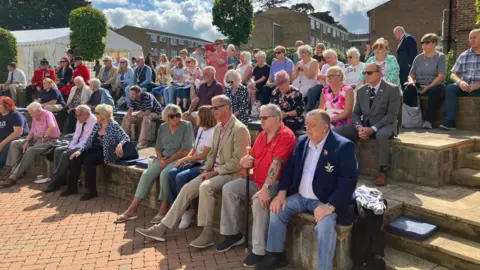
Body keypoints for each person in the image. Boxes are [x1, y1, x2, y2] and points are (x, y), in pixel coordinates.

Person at [135, 95, 250, 249]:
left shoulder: (240, 129)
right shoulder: (217, 127)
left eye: (216, 107)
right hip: (213, 171)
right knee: (187, 187)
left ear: (227, 108)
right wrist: (206, 169)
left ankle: (207, 233)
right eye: (212, 107)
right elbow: (212, 154)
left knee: (205, 187)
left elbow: (238, 161)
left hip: (232, 173)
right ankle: (161, 228)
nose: (213, 110)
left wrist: (214, 172)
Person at [255, 110, 358, 270]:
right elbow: (289, 169)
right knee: (276, 210)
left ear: (325, 128)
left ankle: (324, 267)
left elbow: (348, 181)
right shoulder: (302, 141)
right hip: (300, 197)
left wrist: (329, 206)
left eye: (312, 126)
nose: (307, 129)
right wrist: (281, 193)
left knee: (325, 227)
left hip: (324, 200)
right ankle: (276, 255)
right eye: (306, 125)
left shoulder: (342, 146)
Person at [216, 104, 296, 267]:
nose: (261, 121)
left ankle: (259, 251)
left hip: (275, 184)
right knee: (229, 189)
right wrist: (244, 161)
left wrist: (266, 188)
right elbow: (251, 155)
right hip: (256, 180)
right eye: (260, 117)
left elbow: (276, 165)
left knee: (258, 202)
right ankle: (233, 234)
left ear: (277, 118)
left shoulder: (286, 135)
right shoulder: (262, 135)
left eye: (264, 118)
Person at [116, 104, 194, 223]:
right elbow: (157, 147)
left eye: (178, 115)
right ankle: (132, 209)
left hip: (179, 158)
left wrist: (167, 160)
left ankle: (163, 208)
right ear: (166, 117)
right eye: (172, 116)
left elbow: (186, 150)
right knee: (147, 174)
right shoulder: (163, 127)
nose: (176, 118)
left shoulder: (186, 125)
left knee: (164, 175)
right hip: (163, 157)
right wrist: (161, 159)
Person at [334, 63, 401, 186]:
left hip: (385, 124)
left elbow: (391, 115)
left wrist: (373, 129)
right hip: (365, 124)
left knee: (381, 135)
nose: (366, 75)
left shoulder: (392, 89)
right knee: (337, 133)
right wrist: (359, 127)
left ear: (379, 73)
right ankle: (344, 165)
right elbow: (355, 114)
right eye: (364, 73)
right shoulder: (361, 90)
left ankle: (382, 170)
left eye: (369, 73)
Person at [64, 104, 130, 200]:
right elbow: (89, 141)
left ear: (104, 114)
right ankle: (71, 187)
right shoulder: (97, 125)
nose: (95, 115)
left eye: (97, 113)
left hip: (104, 152)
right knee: (75, 157)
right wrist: (80, 150)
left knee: (88, 160)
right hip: (93, 149)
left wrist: (120, 145)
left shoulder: (113, 125)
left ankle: (91, 191)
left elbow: (126, 137)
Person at [165, 105, 216, 229]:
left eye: (198, 115)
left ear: (203, 117)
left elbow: (203, 155)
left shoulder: (212, 132)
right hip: (193, 161)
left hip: (203, 164)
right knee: (171, 173)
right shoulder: (201, 129)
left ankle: (187, 211)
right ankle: (175, 208)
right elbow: (195, 148)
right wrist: (187, 157)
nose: (196, 117)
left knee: (181, 177)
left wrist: (184, 158)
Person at [1, 102, 60, 188]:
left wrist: (45, 137)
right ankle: (13, 172)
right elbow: (32, 130)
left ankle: (13, 177)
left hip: (49, 140)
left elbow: (52, 126)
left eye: (31, 113)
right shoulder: (35, 116)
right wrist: (27, 141)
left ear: (38, 110)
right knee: (15, 144)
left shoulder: (48, 114)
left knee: (30, 150)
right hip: (35, 138)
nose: (30, 115)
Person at [44, 105, 97, 193]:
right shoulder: (81, 119)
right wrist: (71, 147)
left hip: (86, 147)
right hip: (77, 144)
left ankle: (55, 181)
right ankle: (61, 180)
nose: (77, 118)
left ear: (87, 114)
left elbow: (86, 140)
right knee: (58, 150)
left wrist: (72, 149)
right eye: (76, 115)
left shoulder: (93, 122)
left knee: (65, 154)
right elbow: (76, 136)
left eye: (79, 115)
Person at [440, 29, 480, 131]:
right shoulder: (464, 55)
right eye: (470, 38)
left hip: (478, 87)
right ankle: (450, 123)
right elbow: (453, 74)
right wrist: (460, 82)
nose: (472, 40)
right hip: (465, 86)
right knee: (450, 88)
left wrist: (478, 85)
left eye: (474, 37)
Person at [403, 33, 446, 129]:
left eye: (427, 42)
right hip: (420, 84)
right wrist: (411, 82)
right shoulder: (418, 58)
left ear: (434, 43)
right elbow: (411, 74)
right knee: (408, 89)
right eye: (422, 43)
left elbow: (441, 76)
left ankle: (428, 121)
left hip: (435, 85)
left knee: (434, 91)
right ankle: (409, 120)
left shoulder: (440, 57)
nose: (424, 45)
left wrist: (428, 87)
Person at [0, 97, 29, 168]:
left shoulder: (15, 115)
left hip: (15, 139)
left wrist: (2, 144)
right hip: (3, 139)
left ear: (7, 105)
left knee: (2, 158)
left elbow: (17, 133)